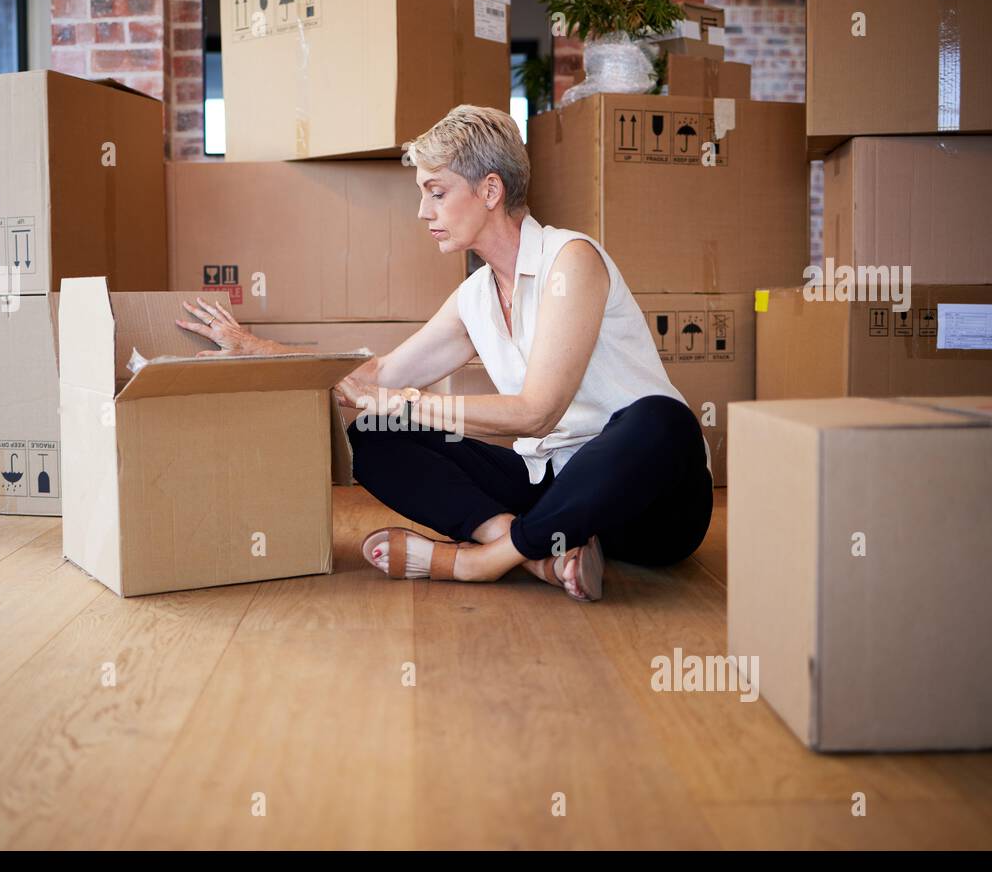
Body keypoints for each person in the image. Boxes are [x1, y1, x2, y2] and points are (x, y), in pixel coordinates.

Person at [176, 105, 712, 602]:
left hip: (646, 504)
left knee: (664, 420)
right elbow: (378, 374)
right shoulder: (476, 297)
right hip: (550, 487)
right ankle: (535, 556)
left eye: (436, 191)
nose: (421, 210)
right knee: (373, 436)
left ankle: (478, 563)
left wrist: (407, 402)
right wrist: (255, 348)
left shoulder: (571, 262)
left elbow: (537, 411)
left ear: (490, 191)